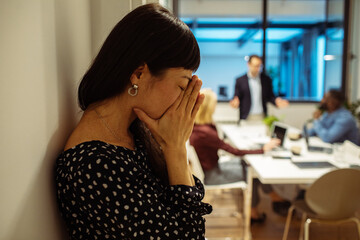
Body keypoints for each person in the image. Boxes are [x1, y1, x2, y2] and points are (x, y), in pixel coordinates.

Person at [54, 4, 212, 239]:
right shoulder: (95, 165)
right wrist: (176, 148)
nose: (185, 99)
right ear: (139, 73)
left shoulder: (132, 131)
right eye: (182, 85)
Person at [190, 89, 291, 223]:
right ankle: (255, 211)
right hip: (212, 175)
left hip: (211, 168)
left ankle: (270, 199)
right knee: (251, 172)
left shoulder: (198, 127)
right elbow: (234, 152)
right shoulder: (205, 132)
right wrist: (262, 149)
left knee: (247, 165)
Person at [229, 55, 289, 122]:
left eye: (259, 66)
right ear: (248, 64)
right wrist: (235, 102)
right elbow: (236, 97)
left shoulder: (266, 80)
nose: (257, 68)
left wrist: (276, 101)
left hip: (262, 116)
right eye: (255, 66)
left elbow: (270, 96)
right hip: (246, 116)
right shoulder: (240, 80)